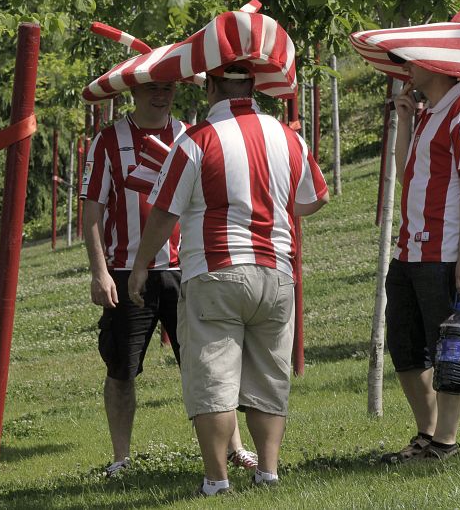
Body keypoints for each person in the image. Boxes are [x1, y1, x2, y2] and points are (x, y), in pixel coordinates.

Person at [127, 63, 329, 495]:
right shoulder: (287, 136)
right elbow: (315, 198)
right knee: (269, 378)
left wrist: (141, 264)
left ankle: (216, 481)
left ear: (212, 87)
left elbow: (164, 211)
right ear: (252, 86)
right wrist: (273, 204)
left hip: (215, 270)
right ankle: (268, 472)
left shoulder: (196, 140)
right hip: (277, 273)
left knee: (212, 379)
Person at [81, 81, 257, 478]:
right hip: (127, 273)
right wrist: (99, 272)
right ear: (134, 91)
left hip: (188, 270)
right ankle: (121, 459)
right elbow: (92, 211)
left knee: (209, 366)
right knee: (121, 369)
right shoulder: (108, 141)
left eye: (167, 88)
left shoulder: (190, 136)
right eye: (151, 89)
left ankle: (235, 449)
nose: (160, 95)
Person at [382, 53, 460, 462]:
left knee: (448, 349)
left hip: (444, 253)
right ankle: (426, 434)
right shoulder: (430, 113)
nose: (406, 67)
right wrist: (406, 121)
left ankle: (446, 441)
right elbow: (408, 173)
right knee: (405, 348)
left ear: (439, 63)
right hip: (408, 250)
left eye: (413, 60)